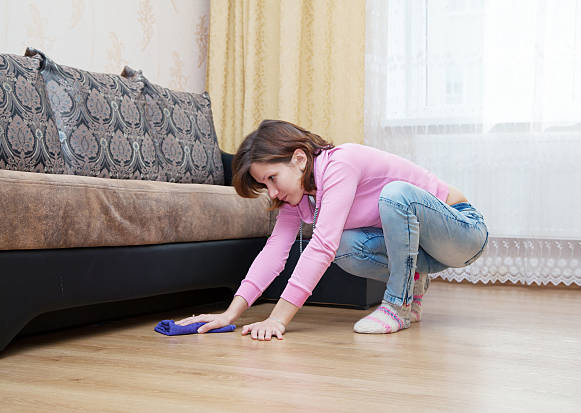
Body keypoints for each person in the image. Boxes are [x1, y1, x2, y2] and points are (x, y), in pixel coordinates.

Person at [177, 120, 488, 340]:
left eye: (272, 178)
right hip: (420, 252)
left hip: (463, 232)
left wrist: (278, 319)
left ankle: (398, 305)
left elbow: (321, 246)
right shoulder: (297, 199)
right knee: (345, 245)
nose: (270, 192)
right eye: (264, 185)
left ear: (299, 159)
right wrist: (229, 314)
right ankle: (413, 283)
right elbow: (274, 253)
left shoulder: (340, 163)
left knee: (394, 195)